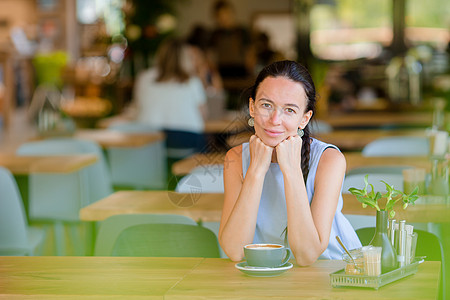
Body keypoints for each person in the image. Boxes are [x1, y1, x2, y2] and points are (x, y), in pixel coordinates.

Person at [218, 60, 361, 266]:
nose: (275, 119)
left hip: (333, 271)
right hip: (271, 274)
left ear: (305, 118)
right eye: (266, 105)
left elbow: (306, 255)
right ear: (252, 107)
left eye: (290, 110)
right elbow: (235, 251)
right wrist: (256, 171)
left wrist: (292, 170)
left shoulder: (328, 160)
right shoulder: (235, 158)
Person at [133, 37, 207, 134]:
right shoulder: (192, 80)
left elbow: (138, 106)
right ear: (185, 58)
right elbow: (203, 113)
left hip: (150, 136)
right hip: (186, 134)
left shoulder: (144, 77)